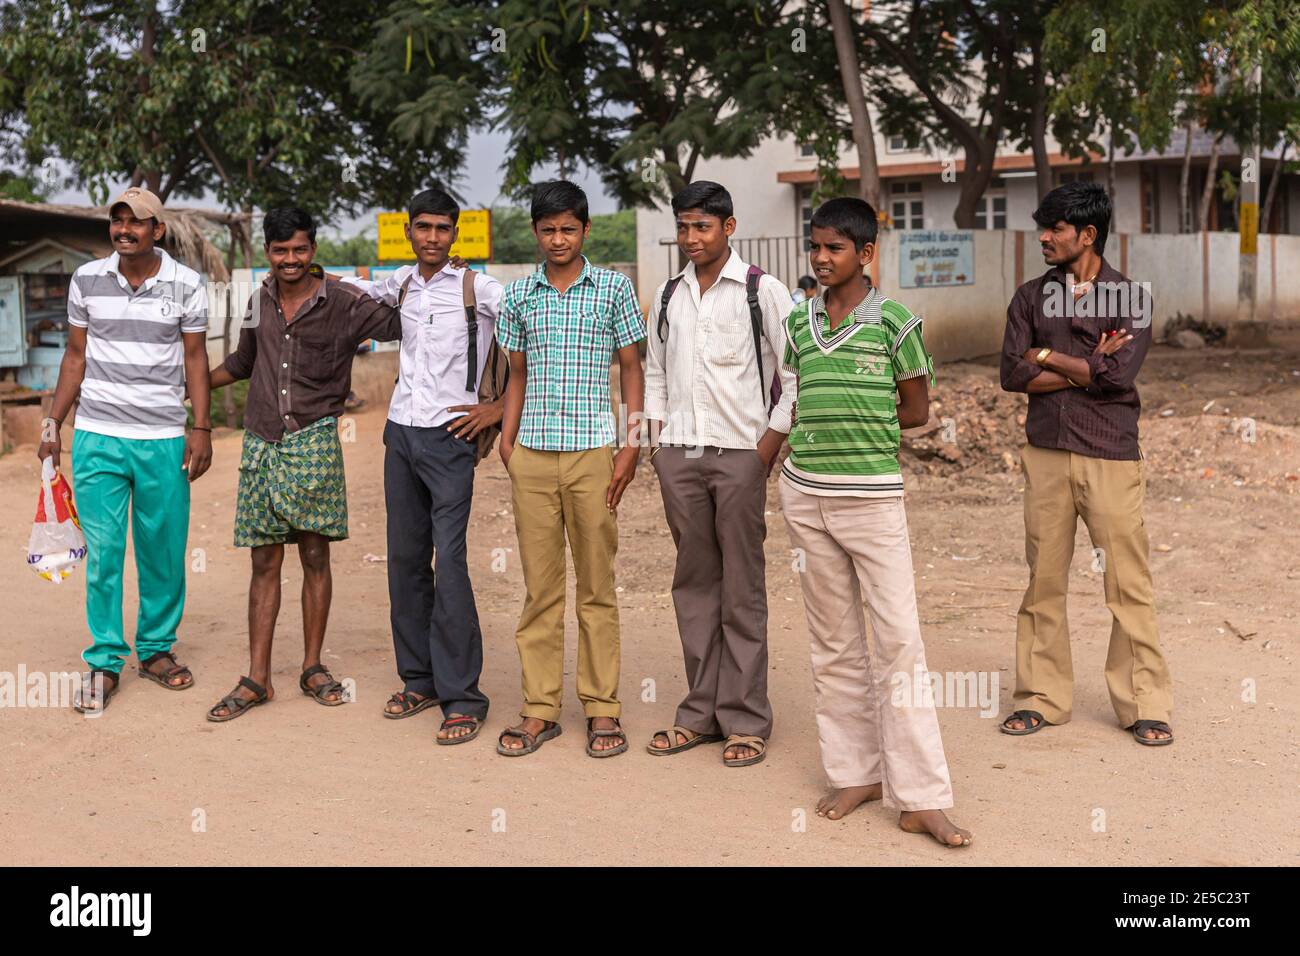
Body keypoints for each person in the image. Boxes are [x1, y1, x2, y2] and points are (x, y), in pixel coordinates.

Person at [780, 196, 971, 847]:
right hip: (806, 497)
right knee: (833, 643)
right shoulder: (798, 322)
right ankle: (855, 773)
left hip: (871, 500)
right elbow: (794, 400)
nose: (821, 257)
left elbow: (915, 411)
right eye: (815, 246)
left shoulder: (895, 323)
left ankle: (920, 797)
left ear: (865, 253)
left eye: (834, 247)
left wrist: (864, 423)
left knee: (899, 642)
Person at [205, 207, 402, 722]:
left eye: (299, 250)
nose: (289, 259)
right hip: (261, 442)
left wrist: (440, 276)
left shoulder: (344, 302)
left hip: (313, 441)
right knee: (263, 561)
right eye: (280, 251)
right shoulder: (258, 301)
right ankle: (257, 678)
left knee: (315, 555)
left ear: (313, 249)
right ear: (267, 252)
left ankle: (313, 667)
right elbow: (243, 362)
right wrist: (191, 384)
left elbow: (407, 320)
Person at [998, 181, 1173, 746]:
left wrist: (1046, 356)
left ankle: (1144, 703)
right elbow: (1012, 373)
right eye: (1043, 228)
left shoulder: (1129, 299)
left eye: (1055, 229)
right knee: (1043, 580)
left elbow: (1117, 377)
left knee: (1127, 582)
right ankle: (1040, 698)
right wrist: (1083, 364)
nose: (1043, 238)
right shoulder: (1029, 297)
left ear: (1088, 234)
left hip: (1110, 453)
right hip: (1046, 452)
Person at [38, 187, 211, 714]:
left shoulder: (186, 284)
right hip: (98, 437)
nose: (124, 230)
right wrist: (52, 424)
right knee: (105, 554)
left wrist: (201, 428)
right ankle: (105, 661)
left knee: (163, 551)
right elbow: (74, 356)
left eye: (136, 221)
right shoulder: (87, 279)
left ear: (158, 230)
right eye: (117, 221)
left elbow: (196, 358)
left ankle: (156, 650)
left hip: (162, 438)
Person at [643, 180, 796, 767]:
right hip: (679, 456)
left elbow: (797, 373)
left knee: (741, 588)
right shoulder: (669, 295)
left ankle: (746, 719)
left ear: (728, 227)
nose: (691, 238)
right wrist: (659, 444)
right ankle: (699, 714)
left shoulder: (762, 291)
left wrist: (766, 447)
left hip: (740, 456)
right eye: (683, 227)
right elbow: (656, 373)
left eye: (702, 227)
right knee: (694, 585)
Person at [344, 187, 503, 744]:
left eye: (442, 228)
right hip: (401, 433)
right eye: (423, 227)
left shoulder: (480, 288)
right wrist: (304, 274)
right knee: (405, 560)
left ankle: (463, 697)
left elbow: (534, 333)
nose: (432, 237)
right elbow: (355, 290)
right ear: (408, 231)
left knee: (450, 562)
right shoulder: (403, 283)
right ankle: (419, 680)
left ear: (455, 234)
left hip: (452, 437)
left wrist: (499, 408)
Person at [494, 181, 645, 758]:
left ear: (586, 230)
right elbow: (517, 375)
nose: (558, 239)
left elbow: (631, 369)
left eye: (568, 229)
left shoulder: (613, 288)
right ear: (535, 232)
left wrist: (631, 444)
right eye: (548, 230)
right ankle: (539, 709)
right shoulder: (519, 296)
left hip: (593, 455)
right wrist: (508, 443)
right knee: (540, 590)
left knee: (597, 587)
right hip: (531, 455)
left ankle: (603, 707)